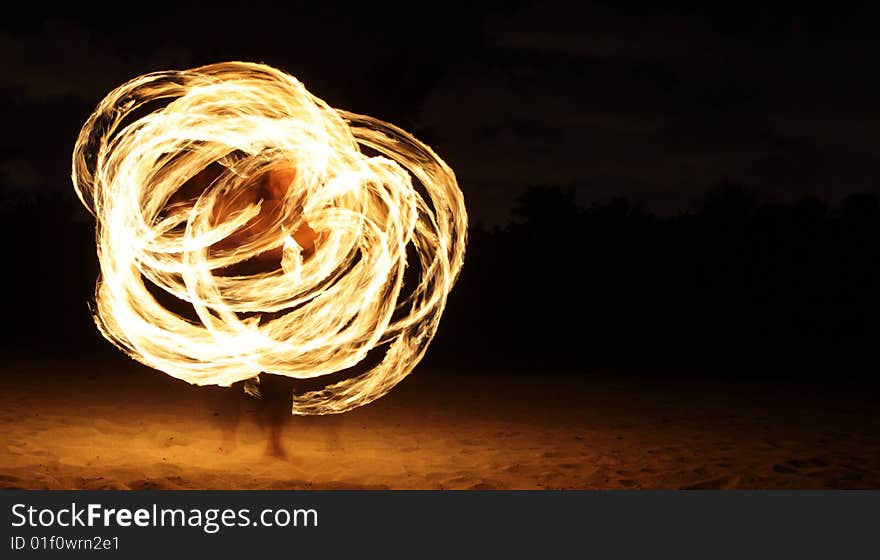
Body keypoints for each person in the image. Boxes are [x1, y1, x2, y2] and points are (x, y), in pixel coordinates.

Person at [168, 161, 317, 458]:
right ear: (269, 181)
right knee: (233, 366)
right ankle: (228, 436)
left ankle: (274, 439)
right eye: (283, 178)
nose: (288, 183)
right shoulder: (245, 204)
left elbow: (306, 241)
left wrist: (318, 238)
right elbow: (221, 233)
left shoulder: (289, 212)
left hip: (274, 296)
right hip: (237, 291)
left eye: (292, 178)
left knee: (276, 368)